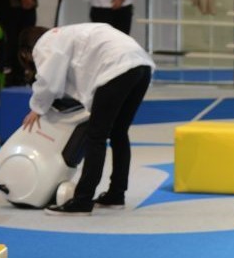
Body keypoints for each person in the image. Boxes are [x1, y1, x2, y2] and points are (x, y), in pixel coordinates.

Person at [18, 23, 154, 216]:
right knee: (118, 133)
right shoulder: (64, 34)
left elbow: (49, 82)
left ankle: (82, 200)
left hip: (117, 69)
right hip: (141, 65)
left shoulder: (44, 44)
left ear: (25, 53)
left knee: (96, 136)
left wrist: (37, 108)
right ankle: (116, 194)